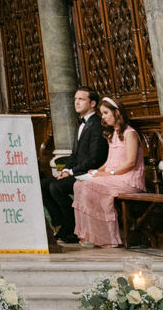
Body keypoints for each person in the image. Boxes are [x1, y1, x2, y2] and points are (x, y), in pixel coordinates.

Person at [72, 96, 146, 247]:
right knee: (79, 185)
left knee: (88, 186)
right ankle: (89, 234)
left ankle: (106, 237)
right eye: (102, 114)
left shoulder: (130, 134)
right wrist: (96, 171)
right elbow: (109, 161)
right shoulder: (112, 133)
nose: (103, 117)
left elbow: (130, 162)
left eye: (106, 113)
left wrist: (107, 174)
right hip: (114, 177)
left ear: (117, 112)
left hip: (128, 180)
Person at [41, 86, 109, 244]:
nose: (76, 102)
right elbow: (74, 155)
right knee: (43, 185)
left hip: (90, 173)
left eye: (81, 99)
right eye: (75, 99)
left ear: (92, 103)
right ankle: (60, 224)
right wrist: (65, 169)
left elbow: (94, 159)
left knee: (56, 187)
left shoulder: (97, 125)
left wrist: (71, 172)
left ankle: (72, 228)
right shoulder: (81, 124)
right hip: (76, 172)